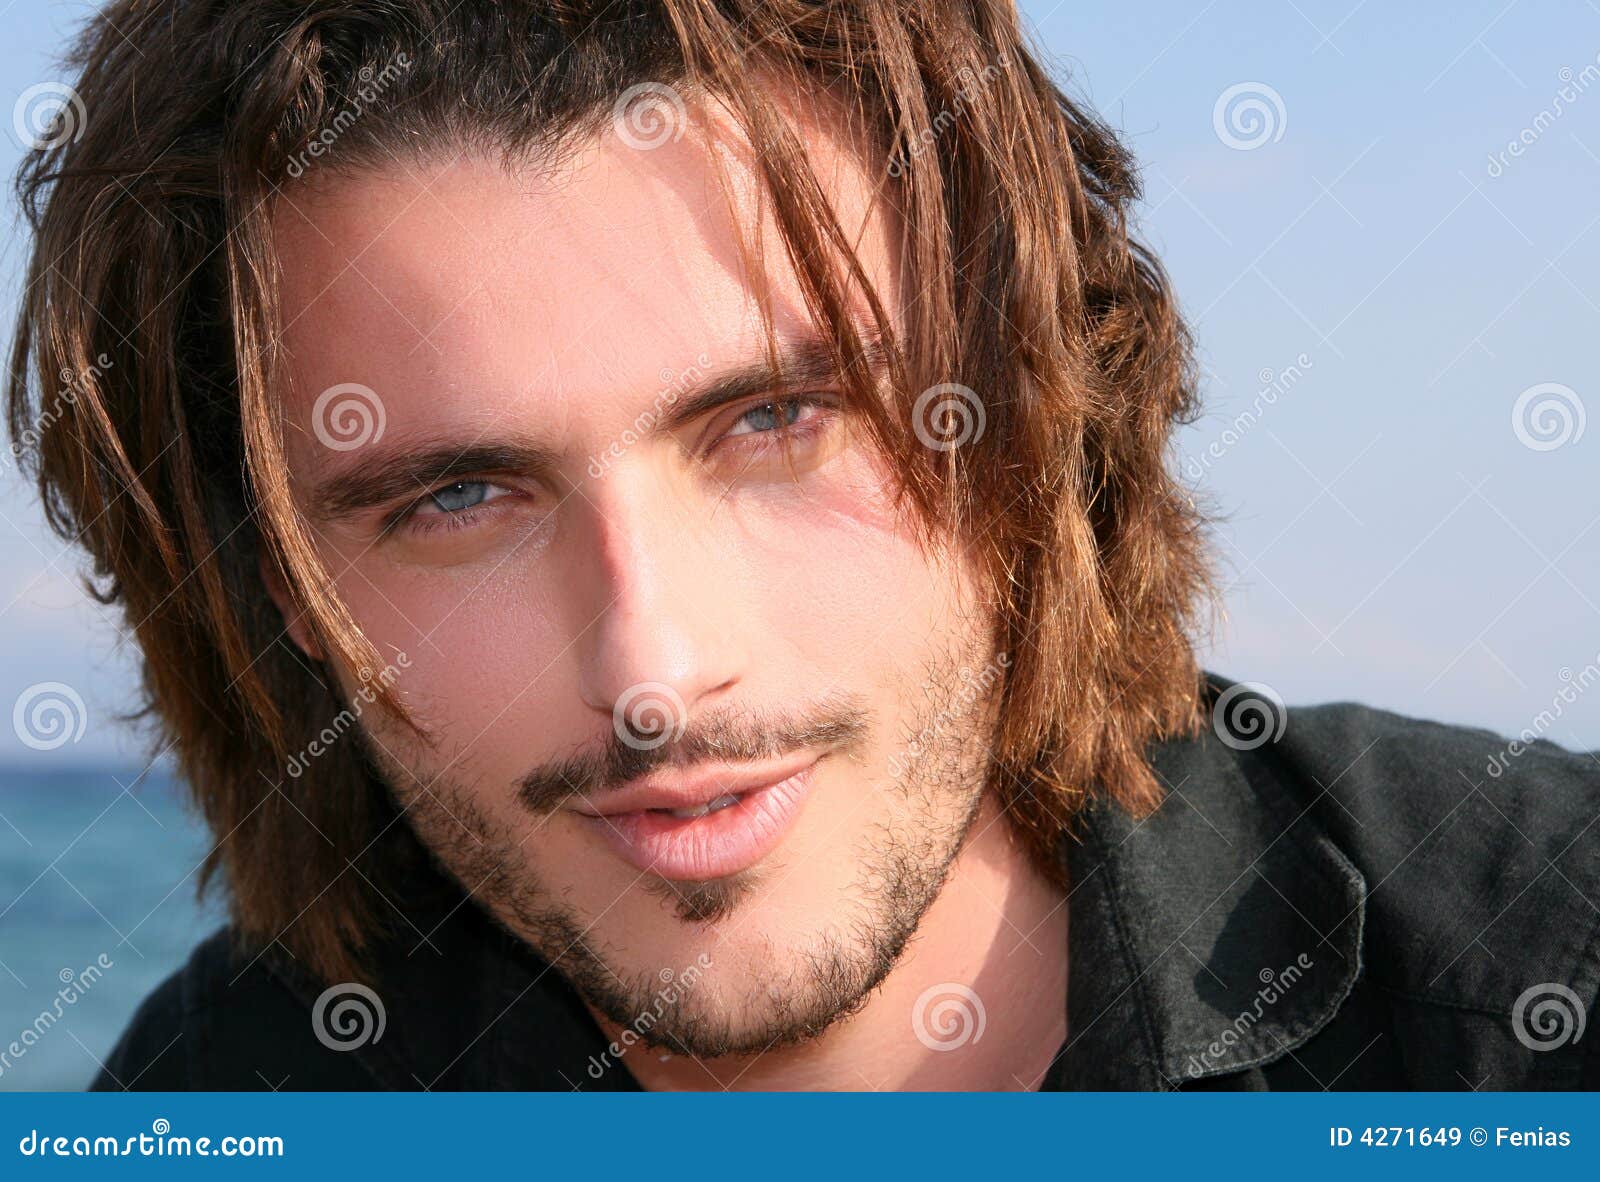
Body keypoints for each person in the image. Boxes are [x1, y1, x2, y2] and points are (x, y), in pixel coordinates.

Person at [8, 0, 1596, 1091]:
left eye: (775, 421)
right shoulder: (232, 1097)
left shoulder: (1545, 983)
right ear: (283, 590)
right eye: (456, 498)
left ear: (1033, 402)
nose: (655, 669)